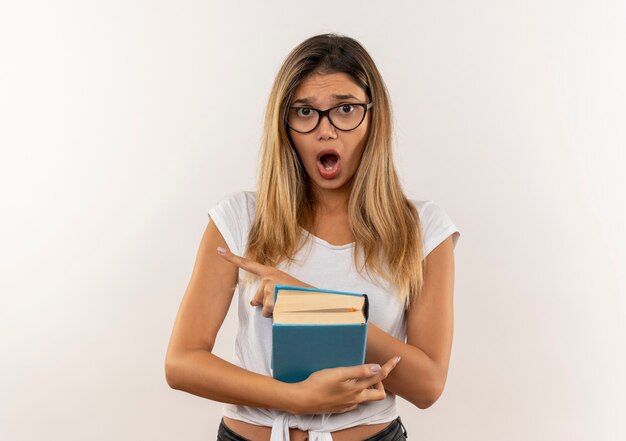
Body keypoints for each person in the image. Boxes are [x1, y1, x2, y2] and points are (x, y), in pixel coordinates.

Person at [165, 33, 460, 441]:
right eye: (305, 111)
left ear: (373, 117)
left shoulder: (425, 228)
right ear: (284, 124)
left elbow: (427, 386)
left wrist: (308, 302)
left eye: (345, 108)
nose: (326, 130)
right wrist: (298, 398)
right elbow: (181, 363)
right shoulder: (239, 217)